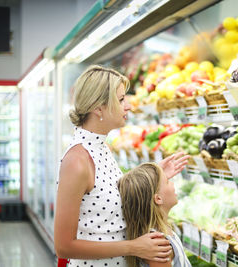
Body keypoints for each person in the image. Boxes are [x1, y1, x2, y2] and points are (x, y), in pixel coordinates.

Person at [54, 65, 189, 267]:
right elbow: (63, 246)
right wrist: (132, 247)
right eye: (121, 100)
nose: (128, 106)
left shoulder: (102, 147)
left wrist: (154, 175)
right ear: (98, 107)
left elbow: (108, 192)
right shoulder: (77, 160)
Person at [119, 162, 192, 267]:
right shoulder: (157, 243)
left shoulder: (163, 229)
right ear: (158, 199)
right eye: (167, 181)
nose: (172, 183)